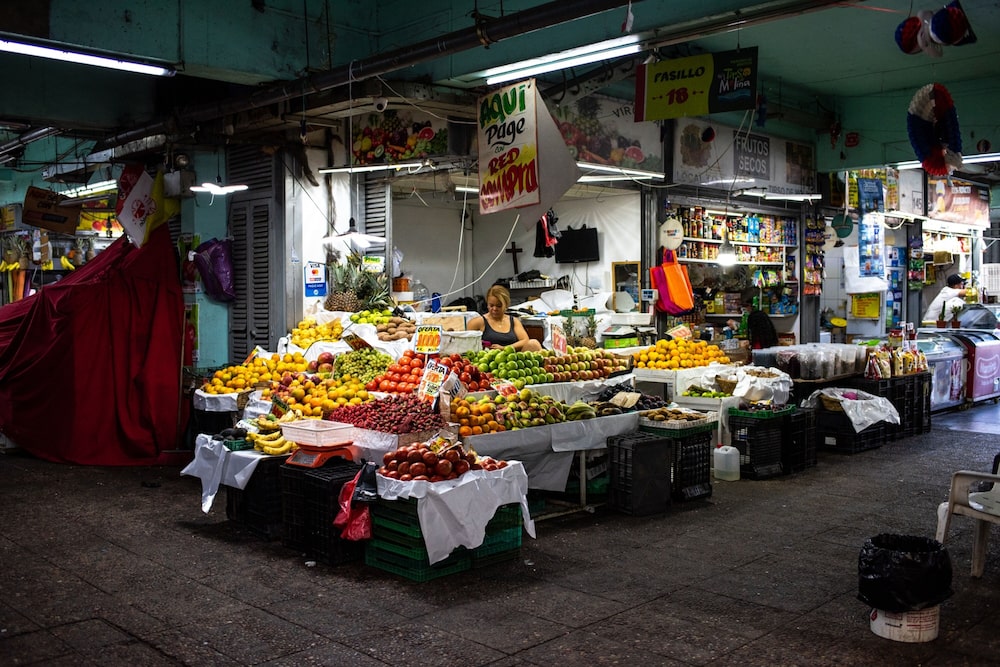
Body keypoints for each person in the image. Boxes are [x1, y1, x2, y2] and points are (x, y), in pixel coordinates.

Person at [468, 284, 543, 351]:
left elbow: (525, 340)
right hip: (487, 362)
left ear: (506, 305)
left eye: (499, 306)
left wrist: (505, 348)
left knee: (534, 343)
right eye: (491, 305)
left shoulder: (514, 321)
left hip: (512, 361)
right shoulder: (477, 322)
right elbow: (467, 345)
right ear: (487, 304)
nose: (494, 309)